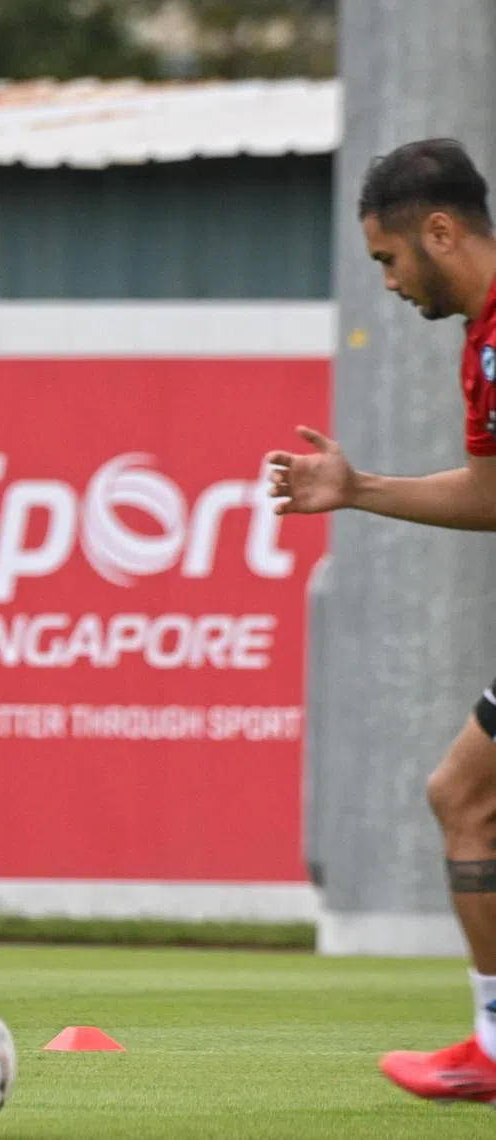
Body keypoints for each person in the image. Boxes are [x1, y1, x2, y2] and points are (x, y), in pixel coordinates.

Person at [268, 138, 496, 1104]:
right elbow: (492, 493)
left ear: (439, 230)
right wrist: (357, 489)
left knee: (463, 795)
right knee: (463, 796)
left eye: (389, 260)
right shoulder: (481, 348)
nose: (391, 283)